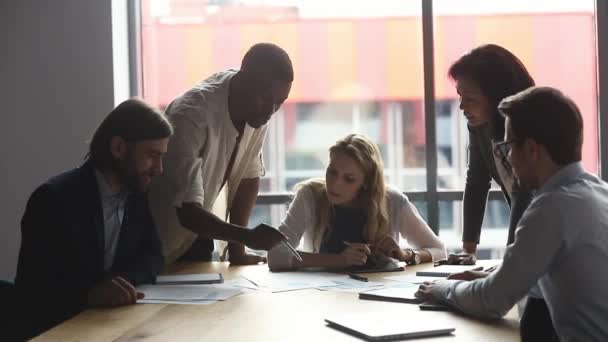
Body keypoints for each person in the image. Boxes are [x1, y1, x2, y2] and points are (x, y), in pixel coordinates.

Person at [416, 87, 608, 341]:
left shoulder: (550, 209)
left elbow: (492, 301)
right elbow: (557, 274)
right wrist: (496, 276)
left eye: (507, 146)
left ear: (531, 149)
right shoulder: (598, 192)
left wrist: (444, 288)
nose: (507, 158)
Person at [13, 99, 172, 339]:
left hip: (110, 325)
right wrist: (90, 293)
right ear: (118, 148)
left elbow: (152, 257)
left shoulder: (136, 195)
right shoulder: (54, 199)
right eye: (152, 155)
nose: (159, 168)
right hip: (58, 331)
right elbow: (34, 286)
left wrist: (120, 284)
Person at [445, 44, 557, 341]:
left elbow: (525, 194)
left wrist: (508, 272)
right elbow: (477, 179)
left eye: (469, 98)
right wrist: (469, 250)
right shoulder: (480, 125)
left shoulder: (532, 132)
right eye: (459, 97)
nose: (461, 107)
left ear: (497, 97)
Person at [148, 43, 292, 266]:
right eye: (266, 99)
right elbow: (187, 212)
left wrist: (238, 251)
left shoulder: (259, 109)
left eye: (279, 103)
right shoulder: (190, 116)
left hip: (199, 235)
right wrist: (248, 236)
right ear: (244, 81)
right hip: (155, 241)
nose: (271, 111)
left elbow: (248, 178)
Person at [268, 134, 446, 270]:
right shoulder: (310, 196)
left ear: (366, 183)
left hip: (379, 299)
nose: (335, 184)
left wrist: (405, 254)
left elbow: (439, 251)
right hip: (322, 298)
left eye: (349, 179)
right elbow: (275, 255)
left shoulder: (392, 201)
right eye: (332, 172)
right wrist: (339, 260)